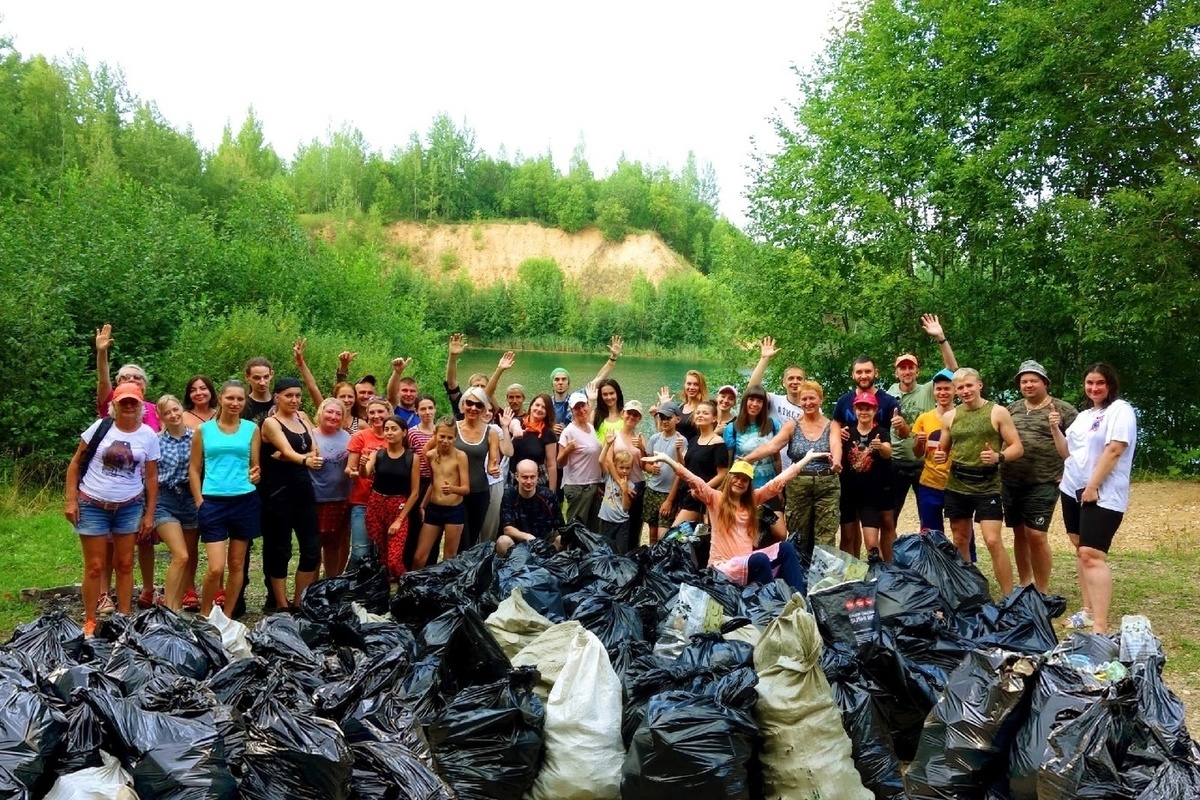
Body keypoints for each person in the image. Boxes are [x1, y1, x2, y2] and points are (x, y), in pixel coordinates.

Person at [643, 452, 830, 592]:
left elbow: (776, 484)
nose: (740, 482)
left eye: (745, 480)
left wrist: (805, 460)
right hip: (722, 566)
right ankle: (771, 602)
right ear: (730, 478)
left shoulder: (752, 501)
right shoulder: (715, 499)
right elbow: (694, 481)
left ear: (749, 485)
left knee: (786, 547)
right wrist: (668, 460)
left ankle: (800, 600)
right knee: (760, 558)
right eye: (737, 478)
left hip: (746, 562)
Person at [64, 382, 160, 636]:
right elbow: (75, 464)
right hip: (93, 503)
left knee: (126, 563)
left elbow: (151, 477)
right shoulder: (100, 427)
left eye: (133, 402)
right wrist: (71, 500)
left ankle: (124, 620)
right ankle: (90, 621)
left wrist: (150, 513)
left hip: (129, 506)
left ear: (141, 405)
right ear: (114, 405)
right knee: (95, 566)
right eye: (123, 402)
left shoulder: (148, 435)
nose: (128, 406)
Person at [1058, 364, 1136, 634]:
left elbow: (1114, 449)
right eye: (1089, 383)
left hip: (1101, 490)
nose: (1094, 388)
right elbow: (1067, 451)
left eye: (1100, 383)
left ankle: (1100, 627)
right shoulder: (1084, 416)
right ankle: (1088, 612)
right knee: (1081, 550)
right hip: (1072, 488)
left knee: (1093, 554)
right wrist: (1055, 429)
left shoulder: (1120, 410)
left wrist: (1092, 485)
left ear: (1110, 384)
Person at [934, 367, 1024, 595]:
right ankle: (968, 591)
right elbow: (943, 450)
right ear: (955, 390)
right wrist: (940, 455)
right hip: (957, 484)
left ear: (979, 385)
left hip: (987, 485)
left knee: (993, 540)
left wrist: (998, 457)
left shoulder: (997, 412)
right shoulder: (950, 416)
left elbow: (1017, 447)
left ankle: (1008, 596)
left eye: (969, 385)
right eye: (960, 387)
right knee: (960, 538)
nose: (965, 391)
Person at [742, 380, 841, 564]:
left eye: (812, 398)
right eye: (804, 399)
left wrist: (836, 461)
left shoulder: (832, 425)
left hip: (827, 484)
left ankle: (822, 581)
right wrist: (746, 460)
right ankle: (797, 575)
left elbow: (836, 444)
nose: (808, 403)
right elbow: (772, 446)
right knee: (797, 534)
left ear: (821, 399)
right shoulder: (792, 426)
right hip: (798, 486)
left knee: (825, 536)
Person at [1002, 360, 1078, 592]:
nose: (1028, 384)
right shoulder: (1010, 409)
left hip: (1044, 481)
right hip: (1010, 480)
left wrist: (1069, 473)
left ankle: (1042, 591)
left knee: (1036, 534)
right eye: (1024, 381)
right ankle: (1025, 585)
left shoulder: (1064, 410)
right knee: (1019, 533)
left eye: (1033, 380)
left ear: (1044, 382)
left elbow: (1080, 446)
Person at [189, 380, 261, 617]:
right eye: (230, 398)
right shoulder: (204, 430)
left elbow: (255, 466)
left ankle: (228, 616)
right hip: (213, 501)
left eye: (240, 399)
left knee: (237, 564)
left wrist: (256, 474)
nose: (235, 403)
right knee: (216, 567)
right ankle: (205, 613)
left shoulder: (251, 429)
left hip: (244, 500)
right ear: (220, 399)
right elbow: (194, 468)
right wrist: (200, 501)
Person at [258, 377, 323, 612]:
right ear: (277, 397)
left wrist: (299, 457)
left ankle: (299, 602)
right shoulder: (271, 423)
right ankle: (281, 604)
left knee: (312, 549)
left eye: (297, 395)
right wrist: (302, 458)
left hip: (304, 489)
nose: (294, 400)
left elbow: (315, 450)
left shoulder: (303, 417)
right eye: (288, 395)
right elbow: (290, 451)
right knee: (280, 549)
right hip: (278, 492)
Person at [831, 356, 905, 560]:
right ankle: (852, 573)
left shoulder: (888, 402)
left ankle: (890, 569)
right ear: (853, 374)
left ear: (876, 372)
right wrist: (839, 435)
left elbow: (901, 435)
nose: (863, 375)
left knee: (886, 522)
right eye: (859, 372)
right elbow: (834, 426)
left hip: (880, 478)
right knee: (849, 528)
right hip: (851, 479)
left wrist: (899, 427)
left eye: (867, 371)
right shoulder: (844, 402)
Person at [887, 314, 959, 519]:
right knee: (890, 516)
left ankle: (933, 549)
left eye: (911, 367)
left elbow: (953, 369)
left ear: (917, 371)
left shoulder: (929, 389)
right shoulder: (889, 394)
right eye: (902, 368)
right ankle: (890, 551)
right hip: (897, 462)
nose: (907, 371)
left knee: (928, 515)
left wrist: (940, 338)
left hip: (924, 464)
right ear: (896, 372)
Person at [152, 395, 198, 611]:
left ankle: (176, 608)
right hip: (165, 498)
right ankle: (168, 610)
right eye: (167, 413)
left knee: (187, 560)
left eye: (175, 409)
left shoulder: (197, 437)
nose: (173, 415)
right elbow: (149, 476)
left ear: (182, 409)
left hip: (190, 498)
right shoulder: (157, 441)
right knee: (181, 555)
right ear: (161, 417)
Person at [364, 415, 421, 579]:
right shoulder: (378, 454)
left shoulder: (412, 458)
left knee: (394, 560)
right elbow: (364, 473)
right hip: (376, 505)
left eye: (394, 429)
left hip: (398, 507)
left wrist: (400, 519)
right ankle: (383, 591)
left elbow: (415, 492)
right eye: (386, 429)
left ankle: (407, 585)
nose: (389, 432)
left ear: (404, 433)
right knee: (380, 555)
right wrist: (362, 464)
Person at [838, 392, 893, 556]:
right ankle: (850, 574)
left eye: (868, 408)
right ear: (855, 410)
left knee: (872, 543)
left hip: (871, 495)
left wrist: (881, 446)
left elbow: (888, 452)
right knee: (847, 536)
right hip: (848, 492)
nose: (864, 412)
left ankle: (877, 574)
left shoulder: (881, 432)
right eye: (860, 408)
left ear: (875, 410)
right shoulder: (847, 433)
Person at [413, 416, 470, 569]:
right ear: (435, 434)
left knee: (449, 556)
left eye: (450, 437)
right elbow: (433, 482)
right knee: (420, 555)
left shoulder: (460, 456)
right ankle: (411, 585)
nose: (445, 441)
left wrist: (452, 489)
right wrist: (422, 505)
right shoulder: (430, 455)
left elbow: (466, 488)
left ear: (455, 438)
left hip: (454, 510)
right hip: (434, 508)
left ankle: (443, 589)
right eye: (442, 436)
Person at [346, 397, 392, 569]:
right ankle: (348, 587)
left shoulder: (396, 435)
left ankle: (373, 589)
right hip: (362, 500)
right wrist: (357, 472)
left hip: (388, 501)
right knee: (360, 551)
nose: (376, 415)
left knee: (381, 551)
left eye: (380, 411)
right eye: (372, 412)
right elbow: (349, 468)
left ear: (388, 413)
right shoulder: (360, 436)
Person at [747, 336, 807, 466]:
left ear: (804, 382)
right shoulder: (774, 400)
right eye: (791, 378)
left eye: (799, 378)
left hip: (797, 467)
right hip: (771, 464)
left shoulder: (812, 408)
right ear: (784, 383)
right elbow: (752, 390)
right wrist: (764, 359)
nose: (795, 382)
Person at [454, 386, 502, 548]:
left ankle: (468, 571)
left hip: (480, 492)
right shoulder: (453, 428)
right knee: (462, 538)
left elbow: (491, 464)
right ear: (463, 404)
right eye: (469, 403)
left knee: (472, 538)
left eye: (478, 405)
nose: (473, 408)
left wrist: (494, 470)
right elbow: (429, 451)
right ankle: (456, 570)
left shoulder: (491, 432)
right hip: (457, 493)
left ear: (483, 408)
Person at [910, 368, 956, 532]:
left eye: (947, 388)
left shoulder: (962, 416)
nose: (942, 392)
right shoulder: (924, 418)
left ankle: (965, 559)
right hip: (929, 483)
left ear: (954, 390)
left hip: (957, 484)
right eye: (939, 389)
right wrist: (919, 442)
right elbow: (918, 453)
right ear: (934, 391)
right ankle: (932, 558)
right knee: (930, 531)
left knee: (961, 532)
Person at [670, 400, 728, 526]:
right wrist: (677, 450)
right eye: (698, 413)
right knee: (687, 537)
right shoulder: (694, 440)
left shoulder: (718, 444)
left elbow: (723, 474)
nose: (700, 415)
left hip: (700, 497)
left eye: (705, 413)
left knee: (674, 533)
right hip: (686, 492)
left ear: (714, 418)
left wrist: (701, 490)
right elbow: (683, 466)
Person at [311, 398, 352, 577]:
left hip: (342, 497)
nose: (333, 416)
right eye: (329, 412)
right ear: (321, 413)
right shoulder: (310, 435)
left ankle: (330, 582)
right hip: (316, 498)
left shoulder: (347, 437)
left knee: (334, 545)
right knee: (313, 546)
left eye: (338, 413)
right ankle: (311, 588)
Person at [547, 335, 624, 430]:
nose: (560, 382)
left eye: (564, 379)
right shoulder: (547, 403)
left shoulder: (577, 398)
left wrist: (613, 357)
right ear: (552, 383)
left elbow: (599, 378)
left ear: (568, 383)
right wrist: (550, 428)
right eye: (557, 379)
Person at [496, 459, 563, 556]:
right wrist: (528, 538)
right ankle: (507, 569)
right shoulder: (509, 495)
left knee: (562, 539)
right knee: (503, 541)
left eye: (532, 477)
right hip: (518, 544)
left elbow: (560, 526)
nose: (529, 481)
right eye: (525, 477)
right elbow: (507, 529)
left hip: (544, 544)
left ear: (537, 476)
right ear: (517, 477)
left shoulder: (548, 495)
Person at [559, 391, 604, 530]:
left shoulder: (590, 427)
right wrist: (567, 451)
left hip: (593, 486)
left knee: (593, 530)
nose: (581, 410)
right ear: (571, 410)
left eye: (583, 406)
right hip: (577, 487)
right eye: (576, 408)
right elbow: (560, 463)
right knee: (576, 529)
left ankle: (588, 552)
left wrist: (597, 483)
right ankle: (571, 552)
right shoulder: (568, 432)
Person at [642, 401, 687, 543]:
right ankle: (652, 561)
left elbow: (681, 471)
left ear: (677, 419)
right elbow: (646, 464)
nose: (664, 421)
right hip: (652, 490)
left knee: (664, 536)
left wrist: (669, 500)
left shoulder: (681, 441)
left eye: (668, 418)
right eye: (662, 418)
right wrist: (650, 468)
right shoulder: (655, 438)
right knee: (652, 533)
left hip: (668, 493)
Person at [404, 394, 439, 568]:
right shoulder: (412, 433)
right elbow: (409, 459)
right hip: (418, 482)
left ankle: (431, 566)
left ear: (435, 409)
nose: (427, 412)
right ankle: (410, 566)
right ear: (416, 411)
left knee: (434, 525)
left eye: (430, 408)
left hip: (436, 484)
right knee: (415, 526)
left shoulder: (441, 433)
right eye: (423, 409)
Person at [609, 400, 647, 549]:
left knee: (635, 527)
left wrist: (643, 448)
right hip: (618, 486)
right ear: (622, 414)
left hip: (638, 485)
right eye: (629, 413)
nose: (632, 417)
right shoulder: (613, 435)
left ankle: (633, 558)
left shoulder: (640, 438)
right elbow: (608, 462)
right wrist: (621, 484)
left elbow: (644, 466)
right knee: (616, 526)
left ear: (639, 418)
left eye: (636, 415)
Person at [510, 393, 559, 490]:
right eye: (537, 405)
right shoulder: (519, 422)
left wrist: (552, 492)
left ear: (547, 412)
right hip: (514, 478)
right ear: (531, 405)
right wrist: (517, 430)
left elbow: (551, 464)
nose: (539, 409)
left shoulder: (548, 433)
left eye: (544, 407)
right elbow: (513, 424)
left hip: (536, 480)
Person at [598, 435, 636, 553]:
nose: (624, 471)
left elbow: (626, 508)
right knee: (604, 549)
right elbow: (600, 460)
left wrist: (625, 491)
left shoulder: (631, 486)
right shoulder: (609, 477)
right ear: (615, 466)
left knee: (620, 551)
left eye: (628, 468)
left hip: (621, 522)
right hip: (606, 519)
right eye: (621, 467)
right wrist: (608, 444)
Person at [384, 357, 419, 427]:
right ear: (398, 393)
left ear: (417, 393)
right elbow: (391, 395)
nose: (408, 394)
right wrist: (397, 372)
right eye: (404, 390)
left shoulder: (422, 413)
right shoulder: (392, 408)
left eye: (412, 391)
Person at [241, 357, 276, 425]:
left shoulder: (280, 402)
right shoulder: (242, 405)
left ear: (271, 374)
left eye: (266, 377)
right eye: (257, 378)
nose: (262, 383)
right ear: (247, 377)